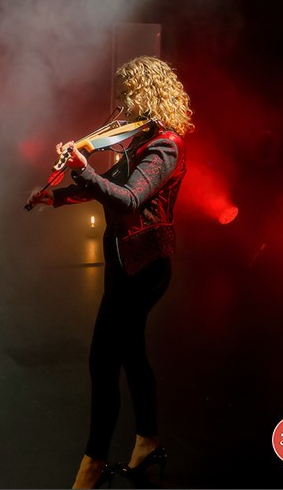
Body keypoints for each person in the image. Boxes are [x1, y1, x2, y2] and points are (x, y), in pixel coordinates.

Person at [27, 56, 193, 489]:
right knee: (132, 353)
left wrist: (82, 167)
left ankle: (93, 464)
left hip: (145, 266)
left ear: (147, 93)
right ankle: (148, 440)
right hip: (123, 261)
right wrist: (57, 197)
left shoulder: (165, 145)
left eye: (126, 94)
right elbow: (110, 183)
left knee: (103, 361)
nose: (119, 104)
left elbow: (127, 199)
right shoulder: (139, 141)